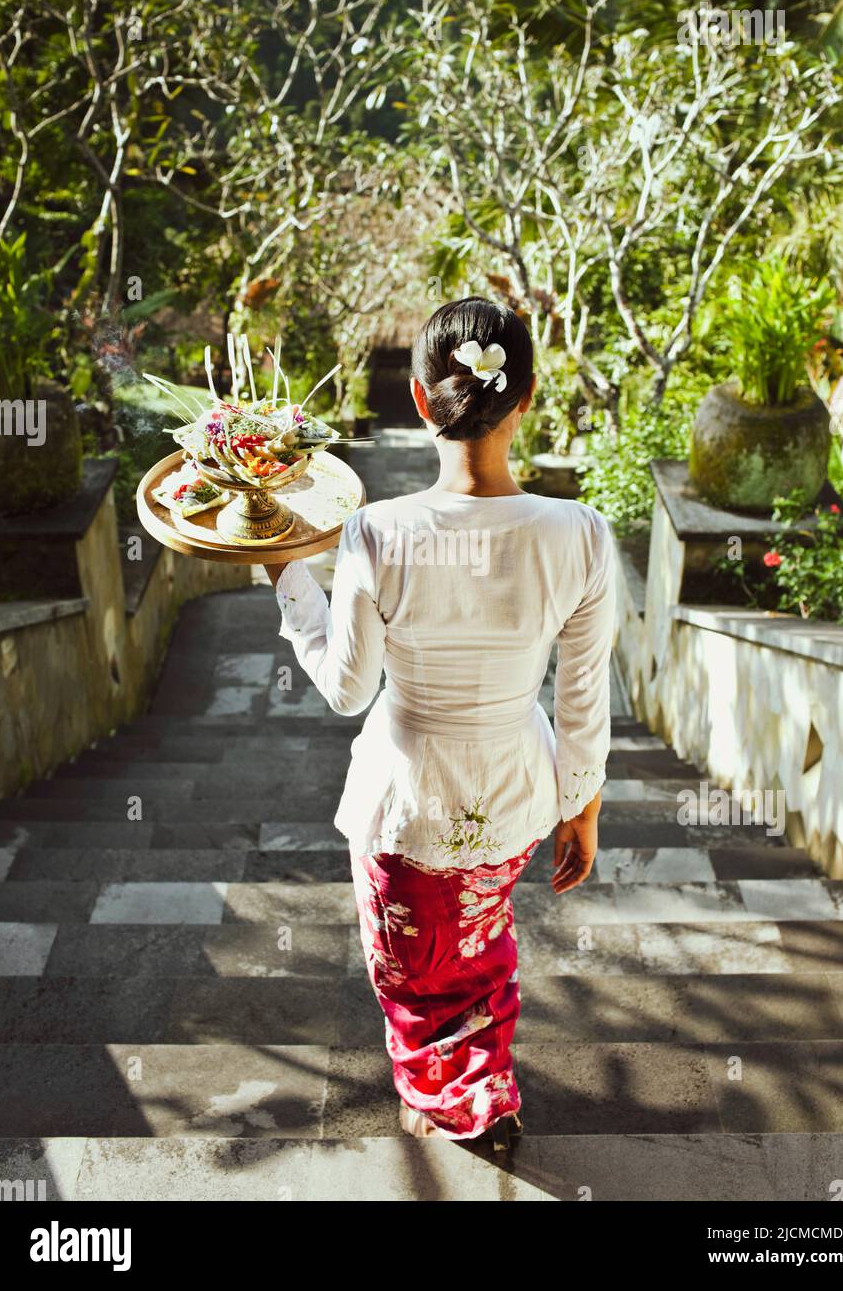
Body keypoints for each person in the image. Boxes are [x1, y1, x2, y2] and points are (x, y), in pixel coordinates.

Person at [264, 297, 616, 1151]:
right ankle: (481, 1091)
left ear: (421, 401)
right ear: (526, 396)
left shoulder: (373, 532)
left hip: (407, 791)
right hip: (512, 787)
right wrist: (582, 807)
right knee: (478, 945)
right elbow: (581, 695)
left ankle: (456, 1100)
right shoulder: (580, 534)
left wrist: (284, 573)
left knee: (412, 967)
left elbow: (348, 691)